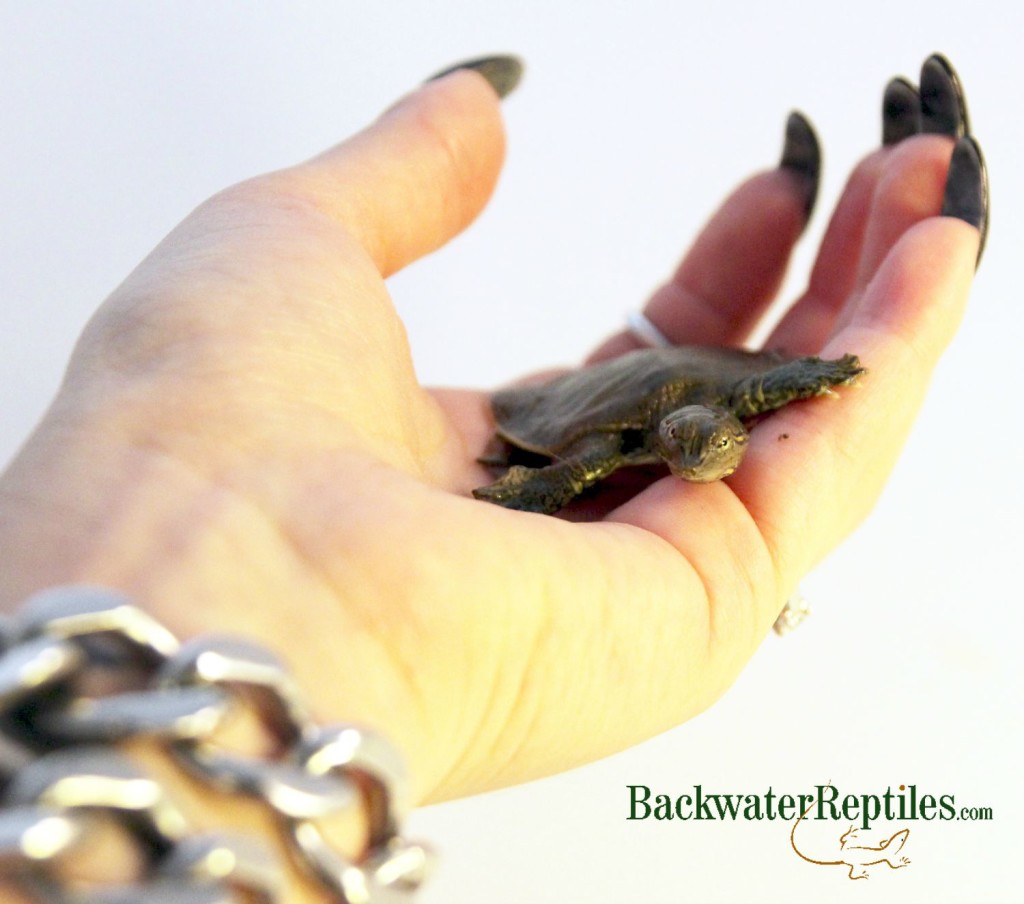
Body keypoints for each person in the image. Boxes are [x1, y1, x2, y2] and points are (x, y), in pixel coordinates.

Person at [0, 53, 986, 900]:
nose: (694, 462)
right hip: (589, 404)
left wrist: (811, 375)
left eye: (706, 448)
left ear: (727, 426)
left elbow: (769, 391)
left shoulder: (741, 402)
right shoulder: (619, 441)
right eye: (686, 451)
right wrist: (514, 497)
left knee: (844, 351)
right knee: (587, 456)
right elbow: (596, 453)